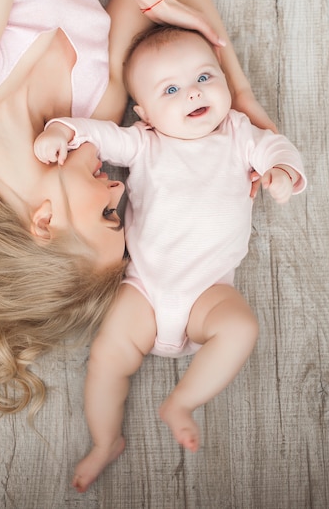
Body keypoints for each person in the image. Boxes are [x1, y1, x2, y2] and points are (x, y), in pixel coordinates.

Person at [0, 0, 274, 498]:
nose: (120, 193)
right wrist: (240, 102)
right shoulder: (94, 111)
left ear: (43, 223)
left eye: (109, 218)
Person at [34, 25, 307, 492]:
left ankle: (182, 402)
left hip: (209, 292)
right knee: (106, 358)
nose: (194, 93)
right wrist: (65, 129)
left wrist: (281, 170)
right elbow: (100, 136)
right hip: (143, 289)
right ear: (145, 113)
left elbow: (275, 146)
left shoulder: (238, 134)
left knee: (241, 328)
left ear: (223, 80)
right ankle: (104, 441)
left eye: (205, 77)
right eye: (171, 90)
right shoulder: (144, 142)